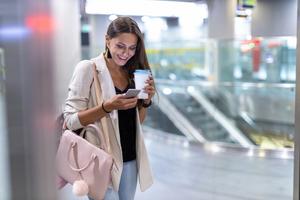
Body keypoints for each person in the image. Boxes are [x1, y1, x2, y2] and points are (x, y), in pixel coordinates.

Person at [63, 16, 154, 200]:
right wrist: (106, 107)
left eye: (132, 48)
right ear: (107, 40)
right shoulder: (88, 68)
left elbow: (137, 123)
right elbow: (70, 120)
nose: (125, 53)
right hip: (100, 160)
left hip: (130, 159)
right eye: (120, 46)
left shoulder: (133, 73)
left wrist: (145, 101)